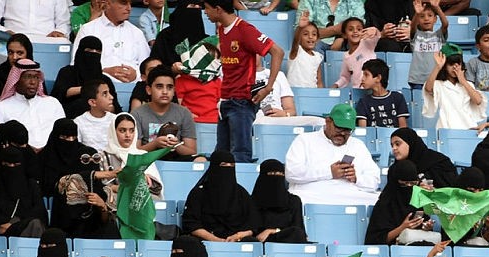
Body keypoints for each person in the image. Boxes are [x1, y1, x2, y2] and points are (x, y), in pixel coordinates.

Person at [203, 0, 283, 162]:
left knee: (240, 157)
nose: (205, 12)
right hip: (225, 101)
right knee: (221, 159)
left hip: (242, 102)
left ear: (218, 9)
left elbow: (278, 52)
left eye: (207, 8)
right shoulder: (221, 29)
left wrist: (268, 87)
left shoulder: (245, 30)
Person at [284, 104, 380, 204]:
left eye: (347, 130)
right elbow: (291, 173)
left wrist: (356, 178)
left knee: (379, 200)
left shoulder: (357, 145)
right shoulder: (304, 140)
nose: (343, 133)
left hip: (349, 196)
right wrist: (329, 172)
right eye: (339, 128)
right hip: (313, 195)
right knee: (296, 200)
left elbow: (374, 180)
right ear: (328, 121)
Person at [181, 152, 260, 242]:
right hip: (206, 239)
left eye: (232, 165)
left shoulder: (241, 193)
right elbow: (191, 224)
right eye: (224, 164)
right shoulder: (199, 193)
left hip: (237, 239)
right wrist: (215, 239)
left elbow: (253, 225)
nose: (228, 168)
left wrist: (238, 236)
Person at [73, 0, 150, 83]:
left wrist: (135, 75)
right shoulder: (88, 29)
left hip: (133, 88)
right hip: (97, 88)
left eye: (130, 4)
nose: (129, 8)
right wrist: (104, 71)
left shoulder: (137, 33)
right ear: (108, 4)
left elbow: (148, 67)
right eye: (123, 3)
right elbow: (76, 65)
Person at [130, 66, 198, 159]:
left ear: (174, 91)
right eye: (159, 87)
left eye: (169, 87)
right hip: (147, 160)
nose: (165, 92)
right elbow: (134, 152)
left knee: (200, 159)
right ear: (149, 90)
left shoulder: (184, 113)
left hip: (176, 159)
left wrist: (176, 145)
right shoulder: (137, 114)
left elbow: (191, 151)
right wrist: (155, 144)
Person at [53, 38, 124, 120]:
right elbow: (59, 94)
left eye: (98, 51)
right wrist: (89, 89)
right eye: (89, 50)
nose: (93, 54)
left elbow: (115, 107)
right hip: (69, 116)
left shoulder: (105, 79)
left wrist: (103, 106)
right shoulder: (67, 72)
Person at [389, 127, 457, 188]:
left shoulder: (439, 163)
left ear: (410, 142)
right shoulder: (394, 170)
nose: (394, 148)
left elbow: (450, 192)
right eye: (392, 145)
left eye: (397, 144)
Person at [0, 35, 32, 107]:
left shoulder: (35, 74)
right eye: (11, 52)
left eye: (19, 53)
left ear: (28, 54)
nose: (14, 57)